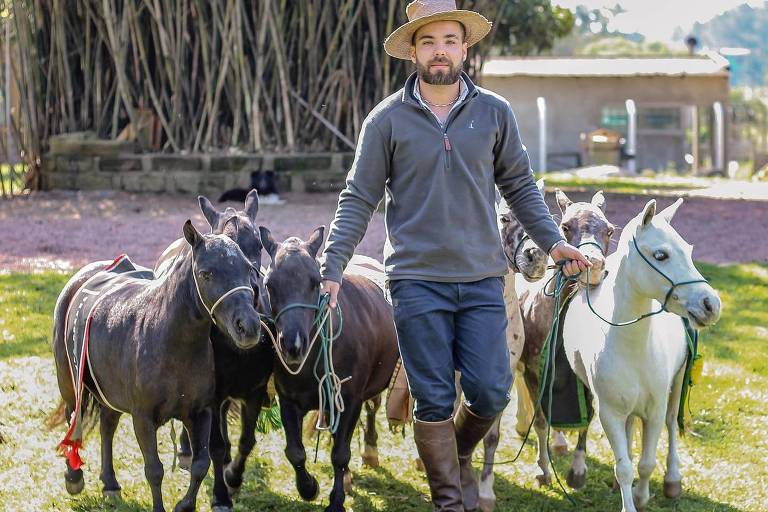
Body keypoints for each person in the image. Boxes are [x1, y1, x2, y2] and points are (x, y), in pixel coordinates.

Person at [319, 1, 589, 510]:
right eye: (428, 42)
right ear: (413, 52)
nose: (439, 51)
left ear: (464, 48)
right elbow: (358, 197)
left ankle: (456, 456)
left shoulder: (494, 113)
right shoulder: (386, 121)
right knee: (435, 397)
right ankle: (449, 500)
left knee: (491, 391)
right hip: (416, 281)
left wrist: (554, 241)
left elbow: (520, 187)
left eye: (448, 41)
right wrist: (332, 266)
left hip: (484, 276)